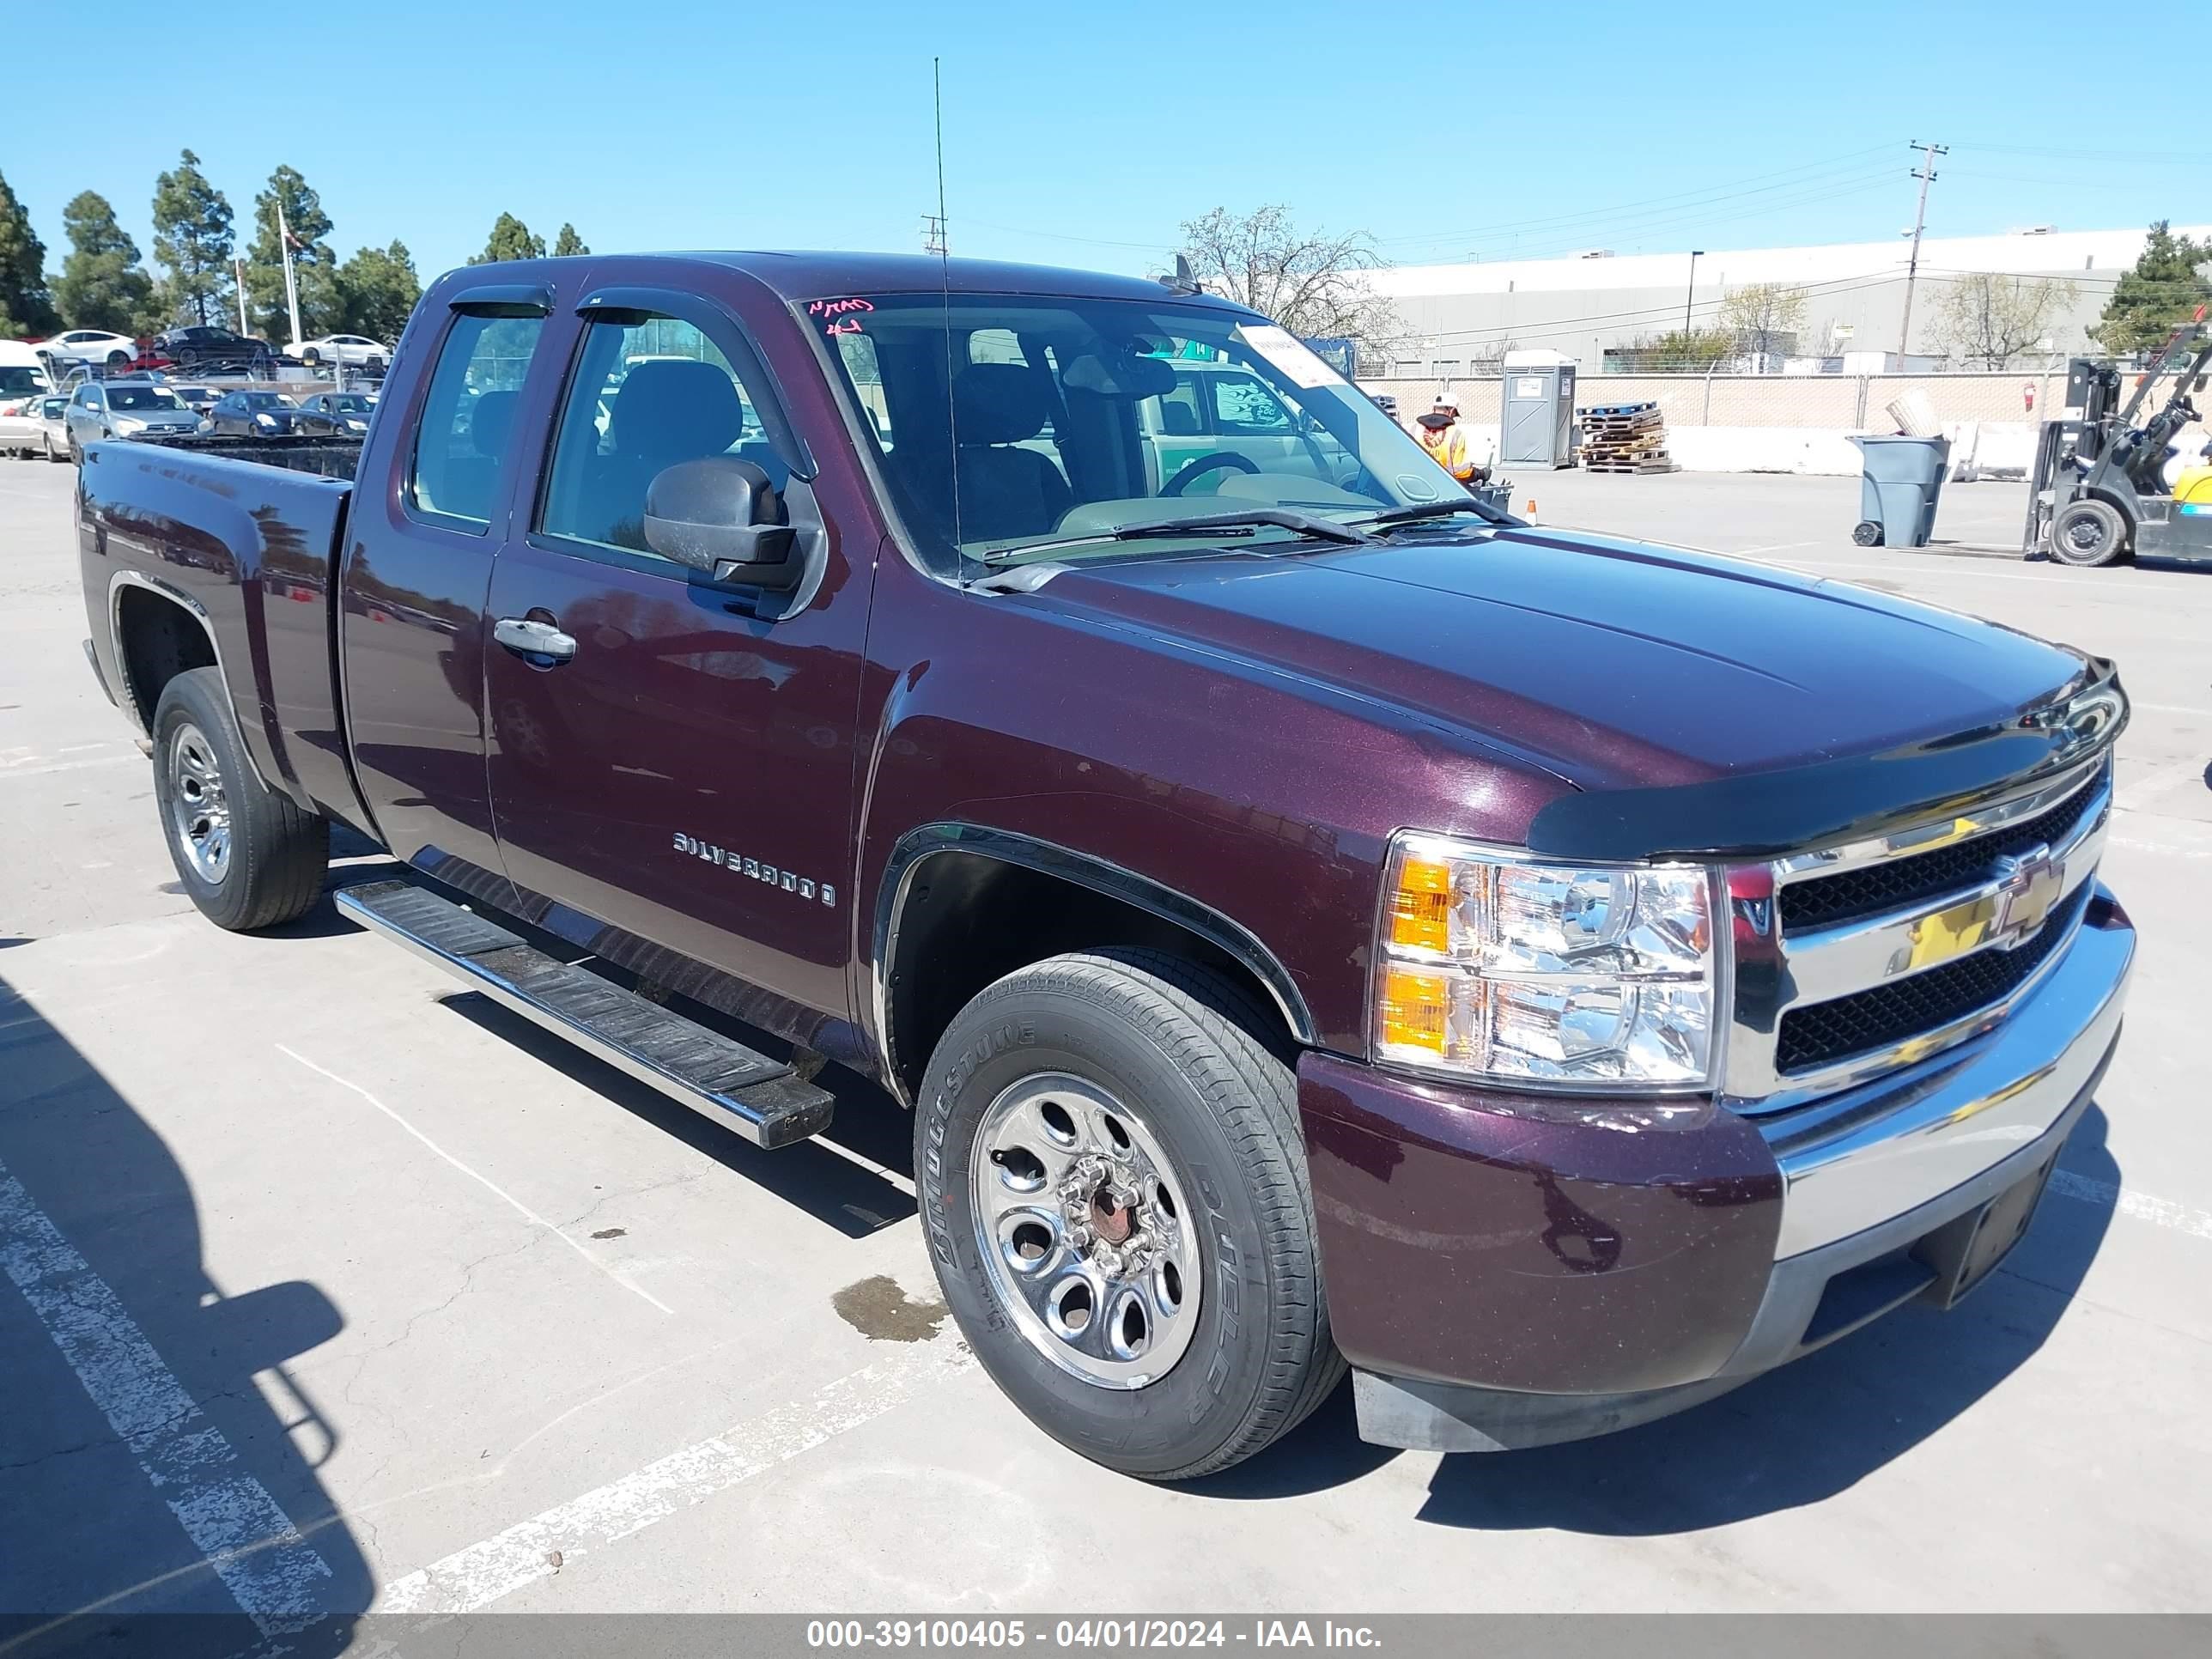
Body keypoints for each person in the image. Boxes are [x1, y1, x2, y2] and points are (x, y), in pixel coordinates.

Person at [1415, 397, 1488, 483]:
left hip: (1414, 487)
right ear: (1452, 411)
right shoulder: (1456, 434)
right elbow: (1461, 472)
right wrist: (1480, 474)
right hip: (1444, 489)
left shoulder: (1415, 429)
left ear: (1433, 409)